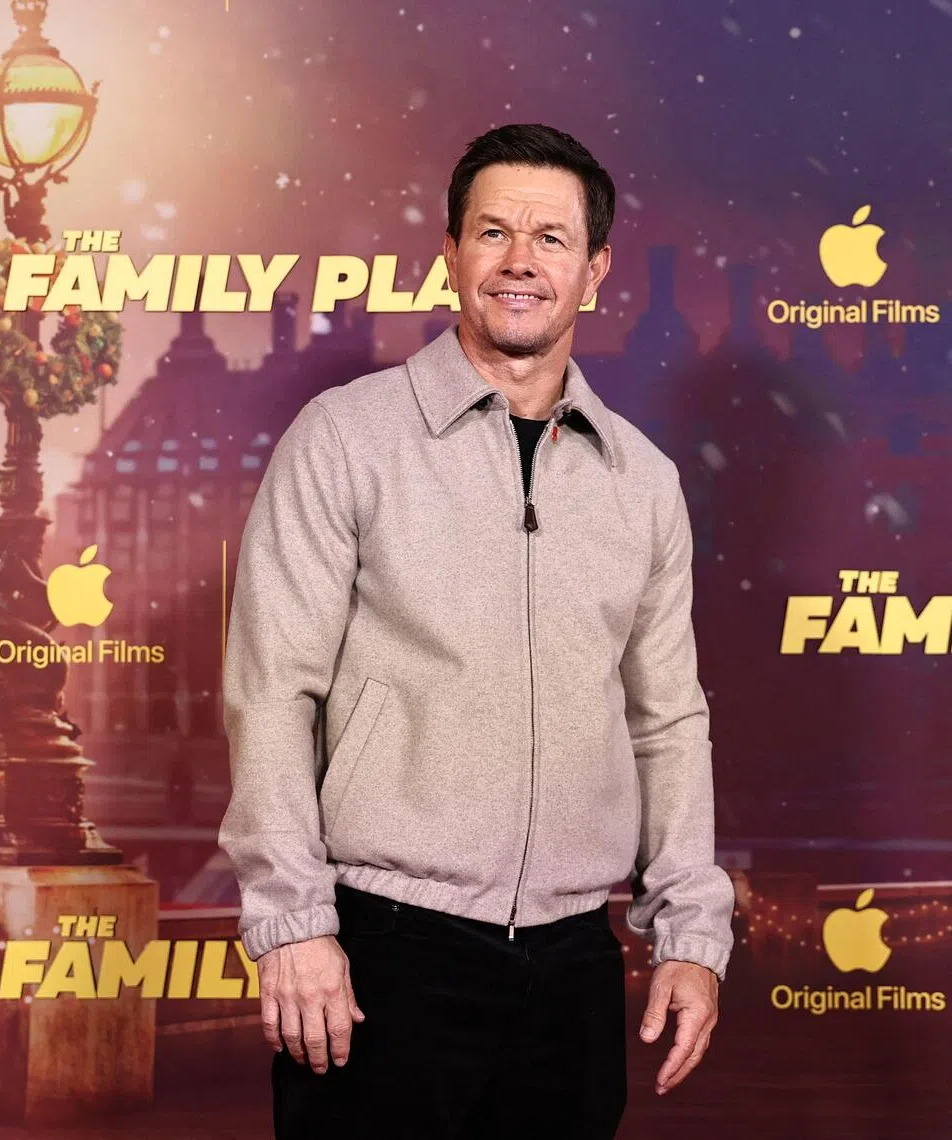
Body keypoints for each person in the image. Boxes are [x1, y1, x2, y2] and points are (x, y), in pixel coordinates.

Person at [219, 123, 735, 1140]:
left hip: (574, 968)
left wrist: (690, 933)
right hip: (381, 950)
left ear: (593, 270)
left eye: (550, 239)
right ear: (451, 254)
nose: (519, 263)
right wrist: (292, 925)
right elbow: (272, 688)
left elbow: (668, 720)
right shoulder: (347, 438)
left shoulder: (643, 482)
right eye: (492, 232)